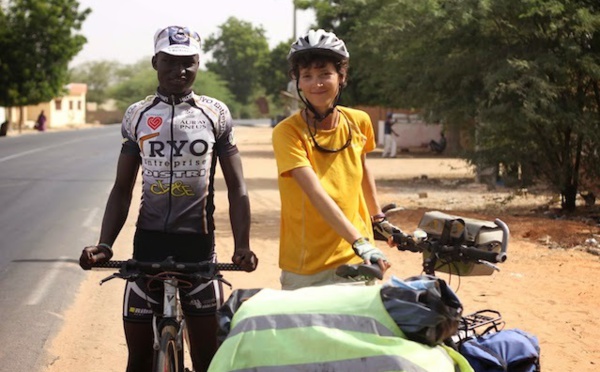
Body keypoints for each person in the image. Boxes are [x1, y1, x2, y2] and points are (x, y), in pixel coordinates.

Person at [78, 25, 258, 372]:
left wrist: (243, 245)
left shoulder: (215, 113)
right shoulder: (137, 114)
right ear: (155, 62)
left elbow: (238, 187)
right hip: (147, 249)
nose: (180, 71)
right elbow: (122, 188)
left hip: (199, 251)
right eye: (170, 62)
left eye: (189, 62)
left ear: (198, 63)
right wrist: (104, 244)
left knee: (208, 361)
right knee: (140, 360)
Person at [272, 29, 405, 290]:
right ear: (297, 81)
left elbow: (361, 167)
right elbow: (314, 192)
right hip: (308, 265)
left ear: (341, 77)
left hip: (358, 258)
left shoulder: (359, 121)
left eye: (325, 74)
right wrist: (359, 241)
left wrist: (378, 218)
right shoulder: (288, 132)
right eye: (307, 76)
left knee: (360, 330)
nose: (316, 83)